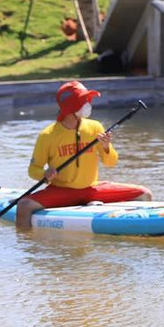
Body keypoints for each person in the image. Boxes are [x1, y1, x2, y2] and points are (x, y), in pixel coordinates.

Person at [15, 80, 151, 230]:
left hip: (92, 190)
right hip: (61, 191)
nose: (88, 103)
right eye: (84, 100)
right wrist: (44, 173)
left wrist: (106, 147)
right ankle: (29, 249)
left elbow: (111, 162)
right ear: (71, 106)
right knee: (24, 206)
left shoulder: (95, 127)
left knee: (144, 194)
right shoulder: (47, 135)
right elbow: (33, 170)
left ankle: (143, 229)